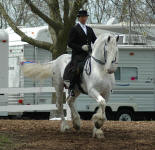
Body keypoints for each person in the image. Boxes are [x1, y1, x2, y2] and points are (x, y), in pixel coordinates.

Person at [68, 10, 97, 97]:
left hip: (88, 54)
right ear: (79, 18)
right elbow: (70, 43)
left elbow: (95, 41)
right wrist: (81, 47)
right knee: (76, 68)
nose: (84, 19)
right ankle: (71, 88)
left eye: (85, 17)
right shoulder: (74, 29)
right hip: (78, 54)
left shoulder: (89, 29)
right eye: (82, 17)